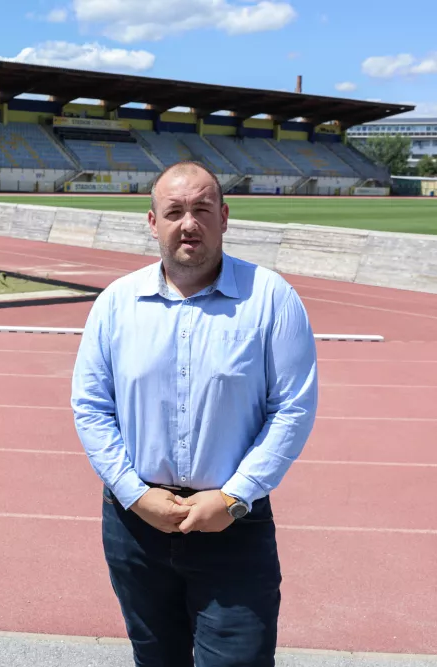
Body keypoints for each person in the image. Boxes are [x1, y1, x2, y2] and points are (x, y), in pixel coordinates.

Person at [70, 161, 319, 667]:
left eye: (202, 209)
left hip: (232, 526)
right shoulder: (117, 303)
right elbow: (92, 407)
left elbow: (292, 408)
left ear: (224, 217)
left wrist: (234, 496)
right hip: (135, 525)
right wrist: (135, 494)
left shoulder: (270, 298)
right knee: (155, 658)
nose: (189, 223)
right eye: (175, 211)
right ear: (153, 221)